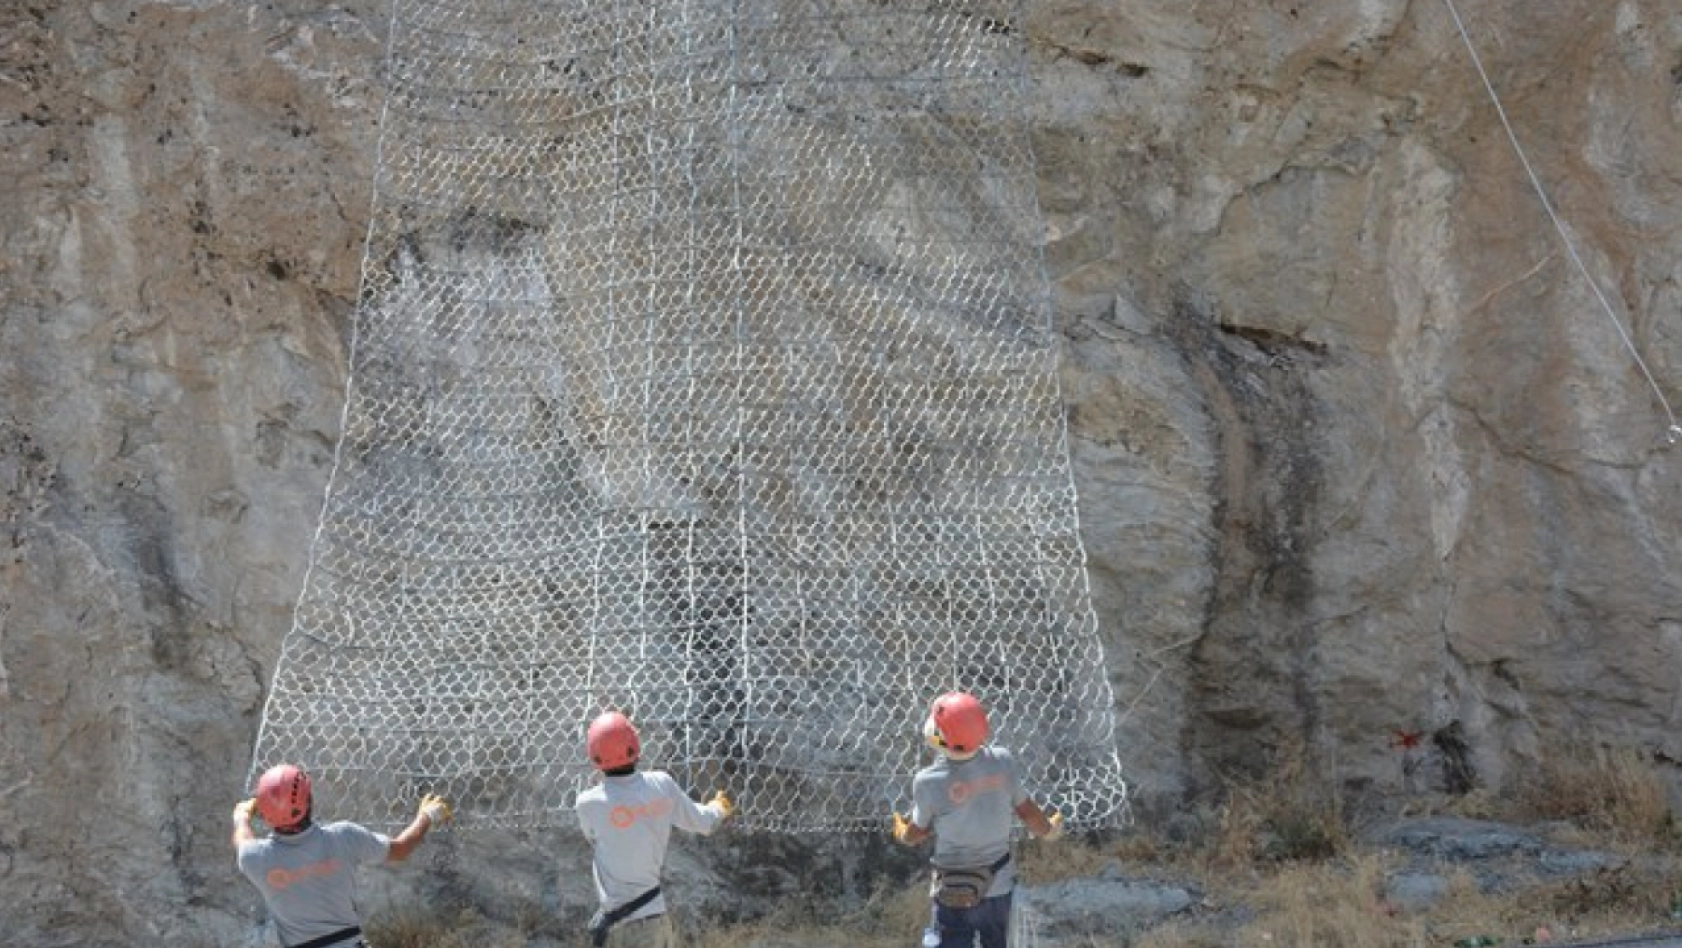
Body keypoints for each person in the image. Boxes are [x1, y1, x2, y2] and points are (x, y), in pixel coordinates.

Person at [891, 691, 1065, 948]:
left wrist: (903, 832)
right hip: (997, 886)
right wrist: (1049, 830)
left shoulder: (927, 781)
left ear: (939, 738)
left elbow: (917, 833)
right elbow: (1027, 811)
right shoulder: (1003, 762)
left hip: (951, 890)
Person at [232, 763, 452, 948]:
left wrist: (242, 816)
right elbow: (401, 849)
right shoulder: (344, 836)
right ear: (308, 802)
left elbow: (242, 837)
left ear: (264, 811)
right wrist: (427, 816)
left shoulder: (254, 858)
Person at [574, 710, 736, 948]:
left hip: (616, 926)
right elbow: (704, 823)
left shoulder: (588, 804)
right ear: (635, 747)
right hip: (653, 919)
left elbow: (594, 839)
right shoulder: (661, 784)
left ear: (595, 755)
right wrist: (719, 807)